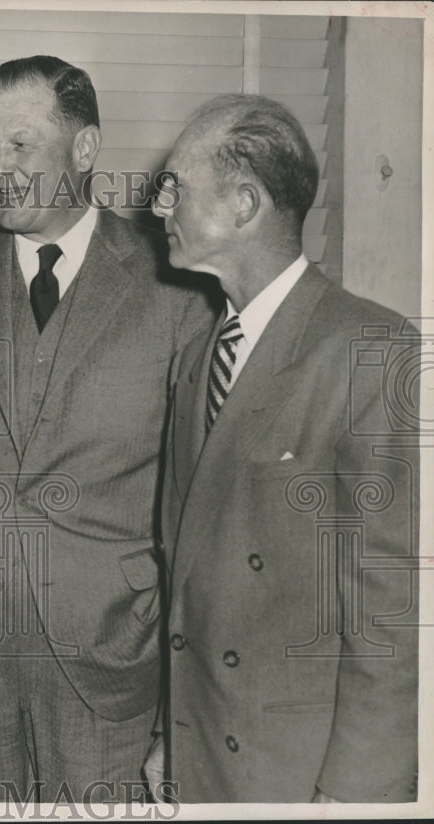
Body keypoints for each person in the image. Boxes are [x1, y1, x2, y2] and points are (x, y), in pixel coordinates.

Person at [0, 55, 215, 801]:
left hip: (114, 660)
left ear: (85, 149)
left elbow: (198, 490)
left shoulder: (177, 288)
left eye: (20, 145)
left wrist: (164, 643)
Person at [145, 93, 418, 803]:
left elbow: (388, 609)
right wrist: (167, 738)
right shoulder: (197, 357)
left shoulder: (370, 349)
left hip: (298, 774)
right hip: (200, 750)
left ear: (243, 204)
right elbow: (184, 573)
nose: (158, 206)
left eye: (176, 186)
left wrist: (357, 795)